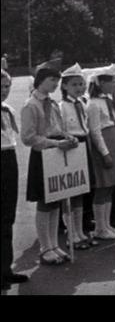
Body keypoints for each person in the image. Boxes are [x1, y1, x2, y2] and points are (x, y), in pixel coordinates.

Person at [21, 59, 78, 266]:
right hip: (43, 154)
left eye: (57, 80)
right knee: (45, 202)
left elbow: (57, 126)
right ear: (41, 80)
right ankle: (45, 248)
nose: (55, 84)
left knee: (56, 199)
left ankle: (54, 244)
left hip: (56, 151)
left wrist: (67, 137)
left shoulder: (52, 103)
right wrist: (54, 143)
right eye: (52, 80)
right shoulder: (31, 105)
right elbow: (28, 137)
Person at [86, 64, 115, 240]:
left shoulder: (109, 101)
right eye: (111, 80)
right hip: (105, 145)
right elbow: (95, 131)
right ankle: (100, 227)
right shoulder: (94, 104)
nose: (114, 83)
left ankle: (107, 224)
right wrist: (105, 153)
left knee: (111, 187)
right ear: (101, 83)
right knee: (103, 187)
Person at [58, 63, 96, 249]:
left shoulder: (83, 103)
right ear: (64, 86)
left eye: (81, 84)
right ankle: (70, 233)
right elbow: (61, 130)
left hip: (84, 144)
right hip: (71, 147)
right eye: (74, 84)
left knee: (81, 190)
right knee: (70, 192)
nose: (79, 88)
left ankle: (80, 231)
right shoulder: (61, 107)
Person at [2, 70, 30, 289]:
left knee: (7, 217)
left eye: (6, 87)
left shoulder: (8, 110)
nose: (4, 91)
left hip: (9, 159)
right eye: (1, 87)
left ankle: (5, 269)